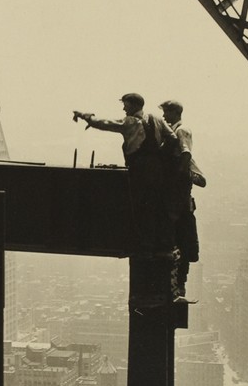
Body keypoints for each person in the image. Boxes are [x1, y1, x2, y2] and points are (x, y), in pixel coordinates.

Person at [73, 93, 180, 253]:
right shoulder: (156, 118)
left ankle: (144, 243)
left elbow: (107, 123)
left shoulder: (130, 122)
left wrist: (86, 117)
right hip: (156, 169)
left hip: (140, 168)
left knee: (139, 204)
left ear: (135, 105)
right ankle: (158, 242)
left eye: (126, 105)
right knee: (154, 204)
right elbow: (172, 138)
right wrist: (158, 154)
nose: (124, 108)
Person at [159, 100, 206, 297]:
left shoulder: (181, 131)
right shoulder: (173, 131)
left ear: (175, 112)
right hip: (177, 198)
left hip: (179, 200)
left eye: (166, 112)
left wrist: (178, 176)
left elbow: (186, 154)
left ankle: (179, 284)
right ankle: (177, 284)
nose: (164, 116)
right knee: (178, 240)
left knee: (181, 240)